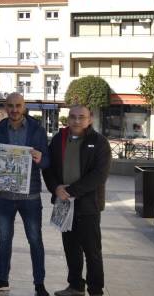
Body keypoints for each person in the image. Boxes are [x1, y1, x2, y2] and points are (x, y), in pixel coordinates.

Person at [0, 92, 50, 296]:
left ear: (24, 106)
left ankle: (39, 284)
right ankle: (2, 279)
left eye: (18, 105)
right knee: (4, 239)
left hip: (30, 196)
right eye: (10, 105)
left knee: (35, 240)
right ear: (5, 107)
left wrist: (40, 158)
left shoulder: (37, 130)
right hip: (4, 196)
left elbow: (48, 161)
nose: (14, 109)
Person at [42, 105, 111, 296]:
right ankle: (75, 286)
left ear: (89, 119)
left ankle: (95, 290)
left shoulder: (99, 142)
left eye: (81, 117)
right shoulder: (58, 139)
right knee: (71, 249)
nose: (77, 121)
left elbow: (99, 175)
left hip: (88, 206)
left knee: (92, 251)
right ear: (68, 119)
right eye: (73, 117)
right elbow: (48, 168)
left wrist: (71, 191)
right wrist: (56, 188)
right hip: (64, 205)